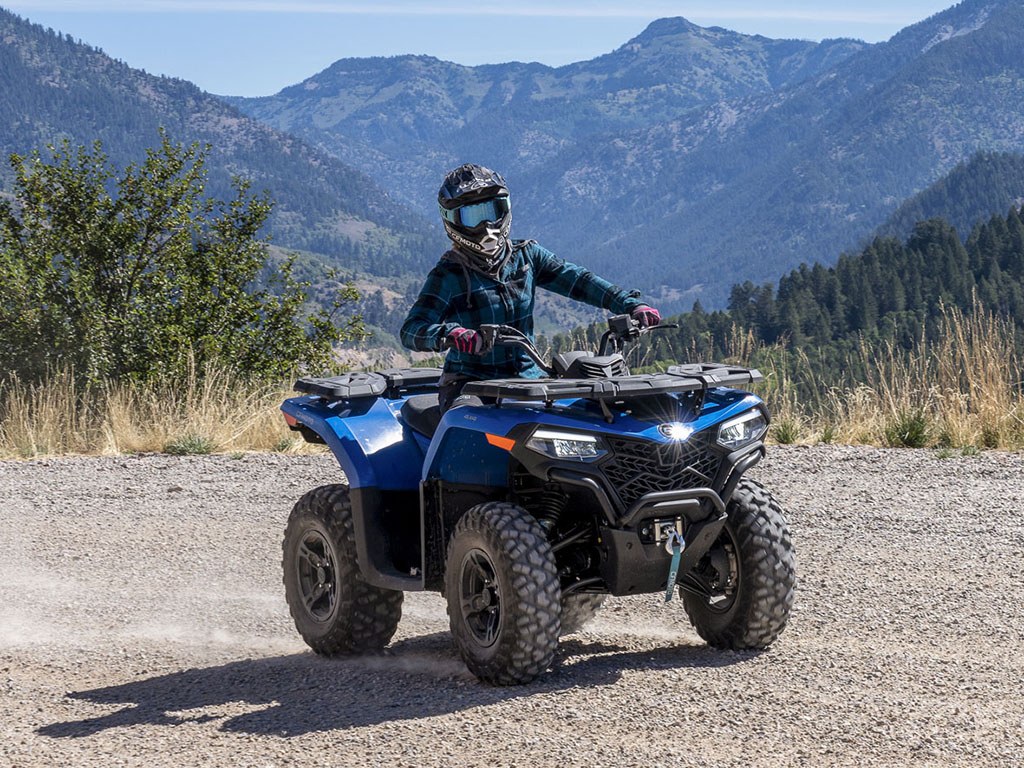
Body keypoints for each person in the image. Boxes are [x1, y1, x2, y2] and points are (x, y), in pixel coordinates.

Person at [401, 163, 662, 412]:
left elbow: (579, 281)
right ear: (453, 221)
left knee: (586, 417)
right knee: (469, 427)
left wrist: (631, 304)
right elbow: (412, 330)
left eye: (492, 211)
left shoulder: (527, 256)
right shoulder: (448, 274)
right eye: (474, 217)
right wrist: (452, 334)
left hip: (529, 379)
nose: (487, 226)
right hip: (470, 384)